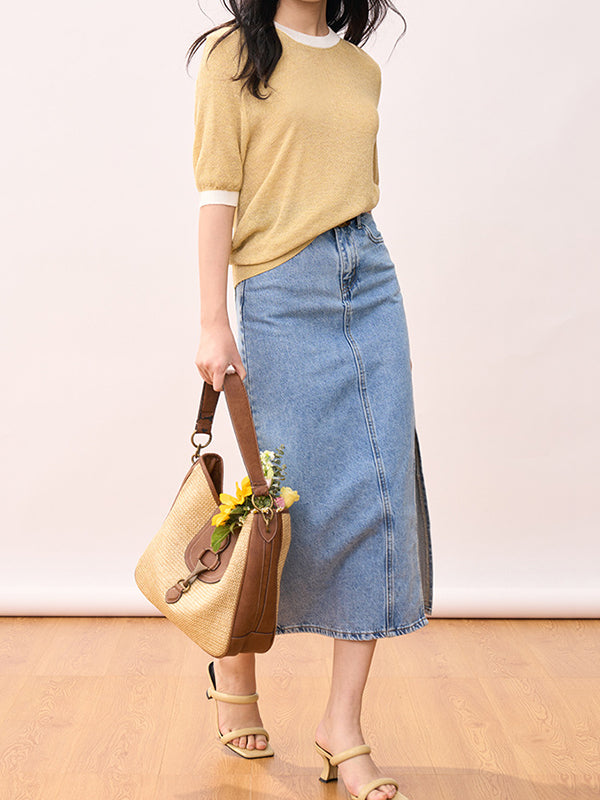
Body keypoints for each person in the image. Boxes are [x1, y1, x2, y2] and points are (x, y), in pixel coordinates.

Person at [187, 2, 433, 799]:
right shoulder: (235, 57)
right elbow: (216, 195)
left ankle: (342, 727)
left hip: (370, 278)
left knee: (378, 492)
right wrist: (213, 321)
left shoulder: (360, 69)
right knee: (279, 497)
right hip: (280, 291)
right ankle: (234, 665)